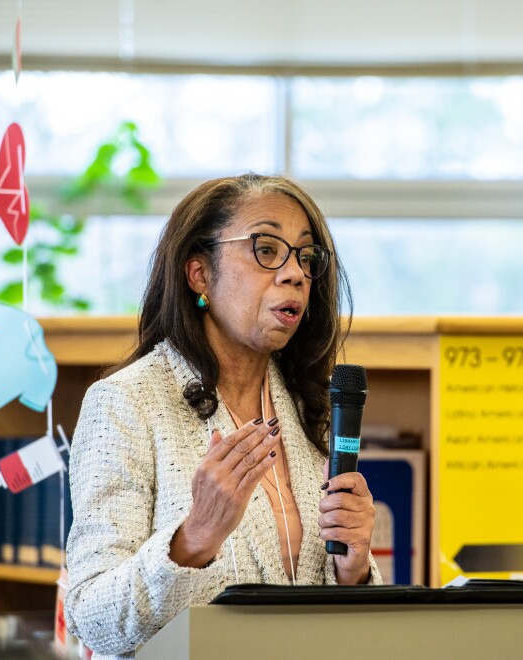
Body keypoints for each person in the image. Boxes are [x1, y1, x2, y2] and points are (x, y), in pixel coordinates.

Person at [64, 173, 380, 657]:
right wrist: (193, 538)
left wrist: (353, 568)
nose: (295, 273)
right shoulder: (127, 403)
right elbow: (92, 619)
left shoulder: (304, 404)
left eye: (305, 256)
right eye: (267, 249)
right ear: (200, 274)